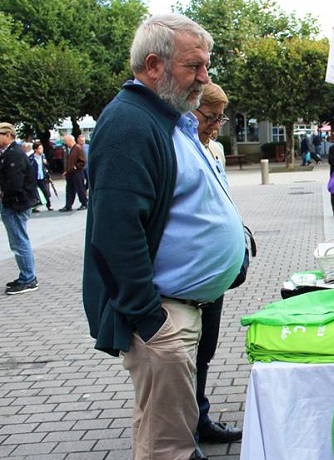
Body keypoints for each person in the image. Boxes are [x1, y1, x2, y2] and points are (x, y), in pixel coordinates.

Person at [82, 14, 245, 460]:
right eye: (194, 67)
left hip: (178, 311)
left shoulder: (164, 118)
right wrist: (150, 320)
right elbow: (115, 234)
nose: (204, 78)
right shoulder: (129, 124)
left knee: (169, 439)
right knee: (166, 448)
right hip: (163, 318)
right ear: (154, 65)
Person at [190, 82, 243, 445]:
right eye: (210, 117)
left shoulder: (214, 150)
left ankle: (201, 417)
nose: (215, 125)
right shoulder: (179, 147)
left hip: (214, 275)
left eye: (220, 118)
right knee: (184, 357)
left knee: (205, 350)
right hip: (189, 275)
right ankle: (184, 430)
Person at [0, 122, 40, 295]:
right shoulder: (10, 153)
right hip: (16, 202)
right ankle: (26, 276)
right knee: (18, 240)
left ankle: (28, 278)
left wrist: (5, 199)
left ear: (8, 135)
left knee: (19, 241)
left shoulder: (14, 154)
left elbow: (15, 183)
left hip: (16, 203)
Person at [58, 134, 88, 212]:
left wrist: (76, 166)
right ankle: (68, 205)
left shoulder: (78, 148)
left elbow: (83, 161)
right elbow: (69, 161)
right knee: (69, 189)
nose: (65, 142)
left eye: (65, 141)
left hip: (77, 172)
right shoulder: (69, 149)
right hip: (70, 173)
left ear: (70, 140)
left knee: (80, 188)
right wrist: (66, 170)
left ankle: (84, 203)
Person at [29, 141, 52, 211]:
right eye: (40, 148)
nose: (41, 150)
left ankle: (49, 205)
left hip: (42, 177)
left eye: (42, 148)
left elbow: (46, 167)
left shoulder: (43, 156)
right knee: (34, 193)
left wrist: (46, 163)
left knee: (45, 191)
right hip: (34, 178)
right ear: (35, 149)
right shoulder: (31, 158)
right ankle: (34, 207)